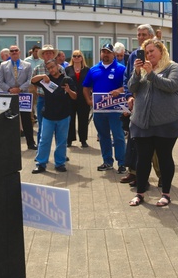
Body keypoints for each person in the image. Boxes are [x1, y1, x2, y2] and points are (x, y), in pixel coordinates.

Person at [127, 39, 178, 207]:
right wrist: (137, 72)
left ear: (161, 51)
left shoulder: (173, 68)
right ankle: (140, 194)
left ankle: (165, 194)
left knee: (165, 157)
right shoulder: (142, 70)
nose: (149, 54)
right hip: (141, 122)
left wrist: (151, 74)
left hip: (166, 123)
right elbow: (131, 88)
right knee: (142, 159)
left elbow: (173, 85)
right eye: (146, 52)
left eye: (152, 51)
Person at [82, 43, 127, 172]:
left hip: (115, 109)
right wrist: (89, 100)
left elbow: (128, 86)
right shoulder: (94, 69)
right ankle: (107, 161)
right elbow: (86, 87)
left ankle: (122, 163)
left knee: (118, 136)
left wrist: (119, 90)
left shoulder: (121, 69)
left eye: (108, 52)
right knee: (103, 136)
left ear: (113, 54)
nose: (105, 54)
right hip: (99, 110)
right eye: (103, 52)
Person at [121, 24, 157, 185]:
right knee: (134, 140)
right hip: (136, 103)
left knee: (154, 143)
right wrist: (128, 96)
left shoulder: (158, 54)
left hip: (154, 105)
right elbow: (126, 78)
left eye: (144, 34)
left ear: (151, 36)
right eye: (139, 35)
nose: (141, 37)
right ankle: (134, 173)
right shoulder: (134, 56)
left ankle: (162, 176)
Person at [31, 59, 77, 173]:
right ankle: (41, 163)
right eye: (49, 68)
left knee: (61, 141)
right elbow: (32, 81)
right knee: (44, 140)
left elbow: (75, 97)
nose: (51, 70)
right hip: (48, 116)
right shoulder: (46, 79)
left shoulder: (67, 79)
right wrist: (42, 76)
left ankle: (60, 163)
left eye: (53, 67)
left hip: (64, 116)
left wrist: (69, 90)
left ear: (57, 66)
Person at [0, 45, 37, 150]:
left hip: (23, 95)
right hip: (9, 96)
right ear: (9, 53)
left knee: (26, 120)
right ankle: (9, 143)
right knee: (9, 119)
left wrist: (20, 89)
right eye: (12, 51)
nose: (14, 52)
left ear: (19, 52)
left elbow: (30, 80)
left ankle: (31, 143)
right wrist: (10, 89)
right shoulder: (3, 65)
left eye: (16, 51)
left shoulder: (27, 65)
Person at [65, 50, 90, 148]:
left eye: (78, 56)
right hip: (70, 97)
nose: (76, 58)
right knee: (70, 119)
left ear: (82, 57)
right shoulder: (67, 69)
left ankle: (83, 140)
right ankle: (69, 140)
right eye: (74, 56)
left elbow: (90, 84)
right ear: (72, 58)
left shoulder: (87, 70)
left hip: (83, 98)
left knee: (83, 119)